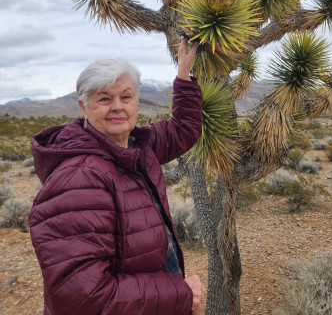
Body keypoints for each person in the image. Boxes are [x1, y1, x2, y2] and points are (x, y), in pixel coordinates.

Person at [29, 38, 206, 315]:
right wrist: (180, 294)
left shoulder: (136, 145)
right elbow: (81, 300)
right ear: (83, 107)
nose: (117, 106)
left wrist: (183, 76)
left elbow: (181, 129)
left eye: (126, 96)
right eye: (104, 99)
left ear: (136, 101)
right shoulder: (79, 179)